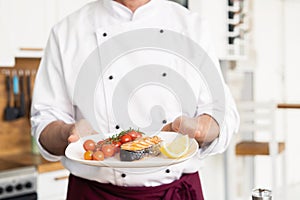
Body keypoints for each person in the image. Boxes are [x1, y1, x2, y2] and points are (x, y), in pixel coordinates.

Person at [31, 0, 239, 199]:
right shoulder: (67, 31)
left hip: (174, 192)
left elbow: (221, 111)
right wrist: (68, 133)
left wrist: (200, 128)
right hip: (94, 194)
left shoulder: (192, 27)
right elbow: (45, 120)